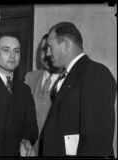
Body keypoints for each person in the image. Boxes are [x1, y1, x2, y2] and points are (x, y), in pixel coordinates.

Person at [40, 22, 116, 157]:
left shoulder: (95, 73)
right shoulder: (69, 76)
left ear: (66, 44)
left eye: (50, 47)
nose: (47, 53)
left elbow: (96, 141)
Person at [24, 34, 62, 156]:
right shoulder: (30, 77)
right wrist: (24, 140)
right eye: (42, 50)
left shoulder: (70, 80)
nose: (46, 55)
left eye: (50, 49)